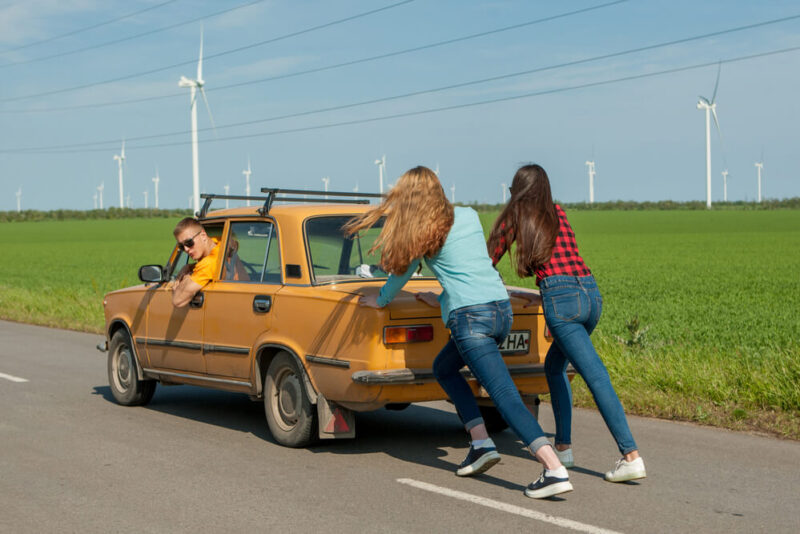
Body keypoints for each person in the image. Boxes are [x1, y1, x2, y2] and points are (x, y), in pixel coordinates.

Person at [344, 166, 573, 499]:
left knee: (504, 395)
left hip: (471, 319)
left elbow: (398, 279)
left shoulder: (421, 234)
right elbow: (469, 266)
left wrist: (378, 300)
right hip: (499, 309)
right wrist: (442, 296)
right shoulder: (467, 215)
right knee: (444, 368)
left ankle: (552, 467)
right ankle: (480, 443)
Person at [487, 164, 646, 483]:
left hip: (562, 300)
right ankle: (563, 447)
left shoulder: (516, 216)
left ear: (517, 191)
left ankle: (631, 456)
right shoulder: (556, 211)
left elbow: (488, 258)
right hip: (590, 294)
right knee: (555, 366)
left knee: (595, 374)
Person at [170, 217, 220, 307]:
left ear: (203, 236)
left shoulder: (208, 263)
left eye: (189, 242)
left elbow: (177, 301)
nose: (186, 249)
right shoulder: (220, 244)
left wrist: (186, 277)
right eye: (181, 246)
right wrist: (189, 267)